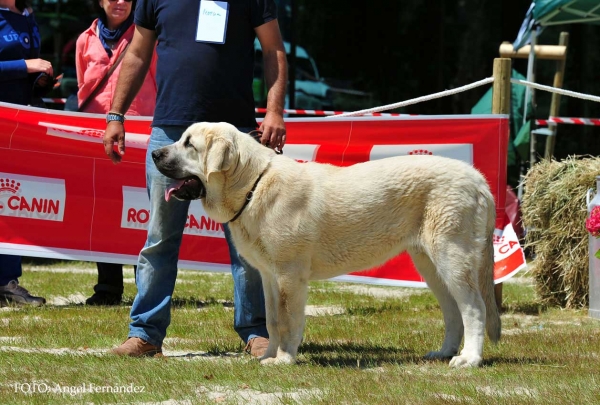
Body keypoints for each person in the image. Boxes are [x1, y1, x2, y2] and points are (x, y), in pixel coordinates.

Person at [104, 0, 287, 357]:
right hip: (170, 132)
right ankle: (144, 335)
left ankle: (257, 332)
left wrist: (275, 110)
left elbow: (273, 49)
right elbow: (137, 54)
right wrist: (115, 115)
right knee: (159, 238)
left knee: (247, 242)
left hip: (235, 138)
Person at [75, 0, 157, 306]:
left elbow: (159, 83)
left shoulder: (147, 35)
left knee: (140, 213)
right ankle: (107, 287)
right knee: (104, 211)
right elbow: (84, 89)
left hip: (139, 139)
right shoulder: (85, 39)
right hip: (99, 139)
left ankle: (145, 286)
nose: (119, 1)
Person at [0, 0, 50, 306]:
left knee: (10, 201)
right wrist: (27, 66)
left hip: (19, 125)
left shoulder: (28, 15)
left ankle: (7, 281)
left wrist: (40, 81)